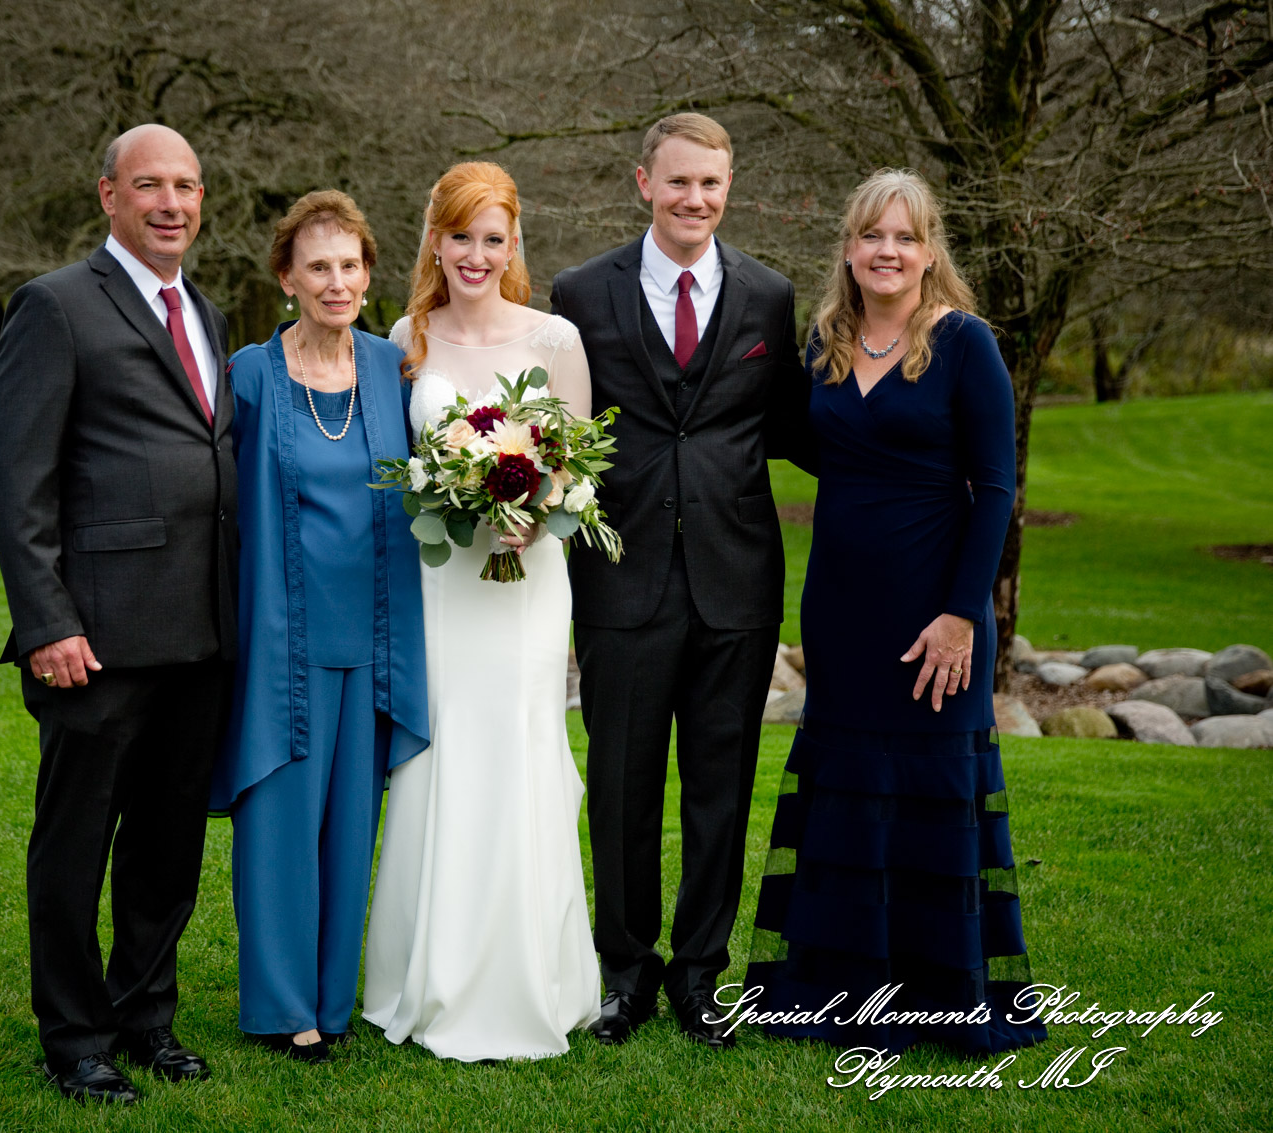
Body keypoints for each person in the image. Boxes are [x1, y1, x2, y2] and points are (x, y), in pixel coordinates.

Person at [742, 168, 1046, 1054]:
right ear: (848, 249)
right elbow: (815, 444)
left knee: (930, 790)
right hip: (843, 605)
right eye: (872, 235)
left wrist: (961, 615)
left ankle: (937, 995)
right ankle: (837, 987)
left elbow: (997, 490)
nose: (888, 251)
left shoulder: (964, 344)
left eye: (905, 237)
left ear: (929, 251)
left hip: (934, 608)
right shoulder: (826, 344)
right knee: (849, 788)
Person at [0, 124, 236, 1104]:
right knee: (75, 844)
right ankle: (75, 1038)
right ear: (108, 196)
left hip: (200, 633)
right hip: (94, 636)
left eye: (187, 186)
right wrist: (47, 620)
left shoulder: (207, 313)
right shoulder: (54, 306)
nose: (171, 203)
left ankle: (146, 1017)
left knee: (168, 846)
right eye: (149, 185)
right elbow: (17, 479)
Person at [549, 113, 812, 1049]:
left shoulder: (769, 296)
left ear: (728, 188)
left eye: (710, 183)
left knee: (720, 788)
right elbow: (560, 429)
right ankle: (626, 974)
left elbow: (795, 426)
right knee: (622, 787)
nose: (694, 199)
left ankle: (702, 976)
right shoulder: (580, 293)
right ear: (644, 183)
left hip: (735, 581)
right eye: (678, 182)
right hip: (620, 577)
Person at [362, 161, 600, 1061]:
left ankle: (533, 977)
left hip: (528, 586)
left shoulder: (555, 338)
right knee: (441, 753)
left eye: (492, 238)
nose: (475, 253)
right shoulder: (406, 337)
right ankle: (427, 973)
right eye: (459, 235)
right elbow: (398, 469)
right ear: (435, 240)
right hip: (443, 586)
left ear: (513, 244)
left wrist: (535, 514)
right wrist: (457, 497)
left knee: (523, 748)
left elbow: (575, 464)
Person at [208, 191, 429, 1064]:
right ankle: (281, 1004)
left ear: (369, 275)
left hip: (374, 630)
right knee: (278, 822)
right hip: (281, 634)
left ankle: (333, 1000)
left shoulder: (391, 367)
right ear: (287, 278)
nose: (337, 281)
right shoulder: (250, 375)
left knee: (349, 827)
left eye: (350, 265)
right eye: (318, 267)